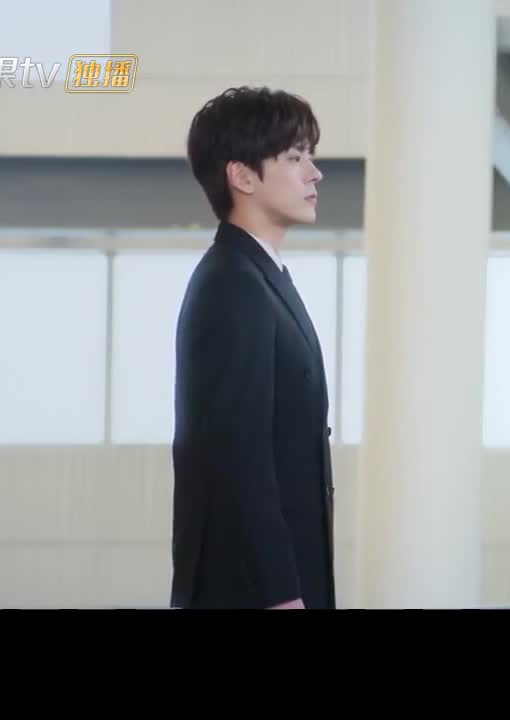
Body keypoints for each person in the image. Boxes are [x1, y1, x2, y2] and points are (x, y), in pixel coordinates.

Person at [170, 86, 334, 609]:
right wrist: (280, 594)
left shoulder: (261, 276)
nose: (314, 173)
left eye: (310, 156)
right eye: (295, 157)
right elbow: (237, 456)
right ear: (242, 177)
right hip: (256, 592)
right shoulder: (233, 284)